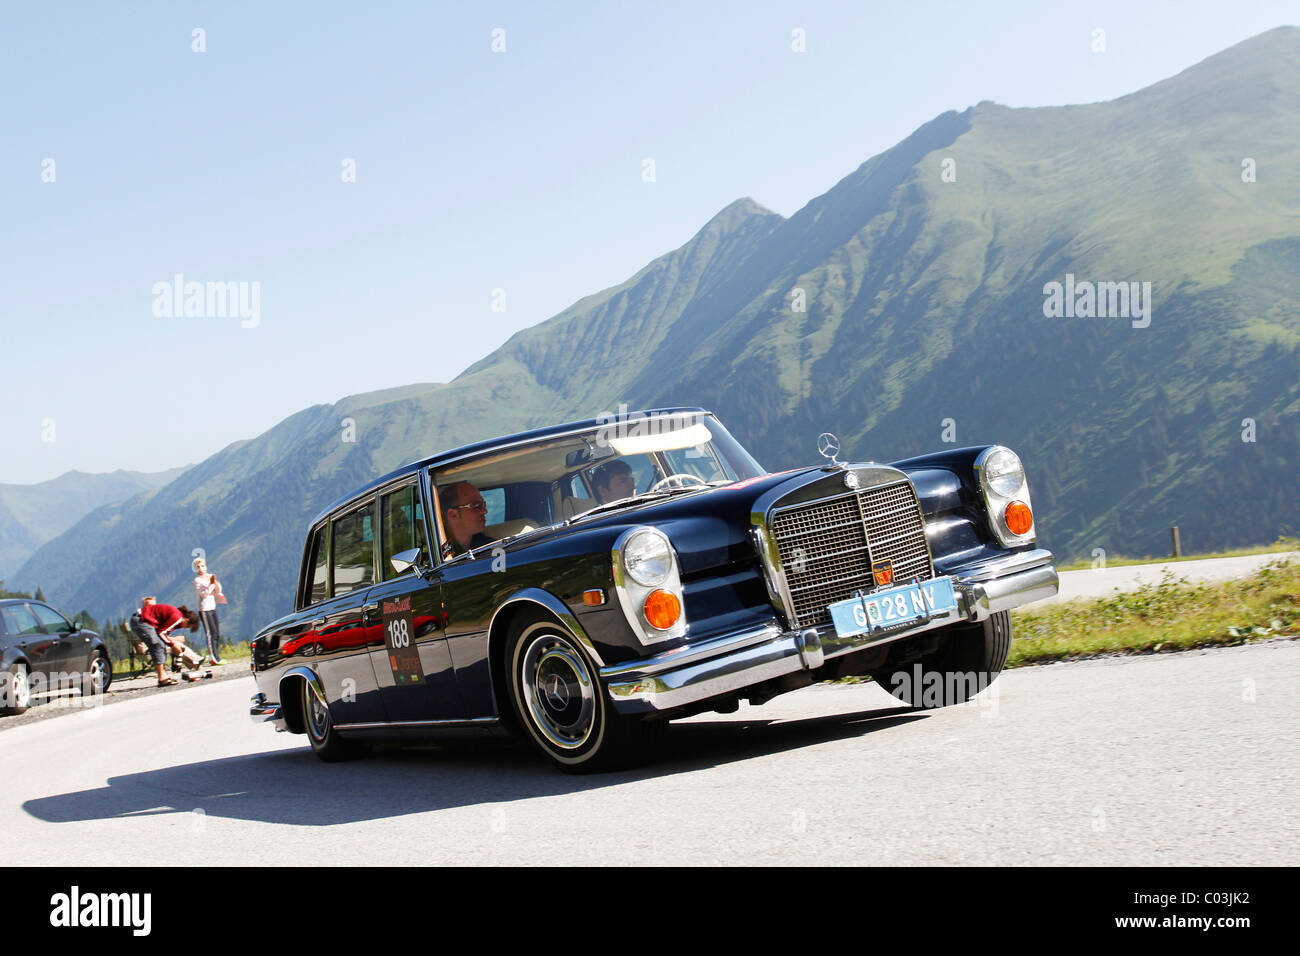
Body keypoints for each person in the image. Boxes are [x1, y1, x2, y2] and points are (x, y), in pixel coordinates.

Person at [129, 598, 200, 686]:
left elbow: (163, 633)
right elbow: (161, 633)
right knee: (157, 645)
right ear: (187, 619)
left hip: (142, 620)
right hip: (141, 621)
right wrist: (173, 644)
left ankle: (164, 675)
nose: (183, 627)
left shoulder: (176, 615)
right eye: (187, 626)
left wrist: (172, 641)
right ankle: (162, 678)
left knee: (160, 644)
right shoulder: (177, 617)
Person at [440, 481, 493, 555]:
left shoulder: (491, 545)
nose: (485, 511)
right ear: (453, 515)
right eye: (476, 506)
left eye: (483, 504)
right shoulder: (441, 554)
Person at [193, 557, 227, 665]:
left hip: (212, 607)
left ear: (206, 567)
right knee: (210, 634)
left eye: (202, 566)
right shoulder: (197, 580)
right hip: (204, 609)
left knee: (216, 633)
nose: (200, 568)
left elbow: (218, 591)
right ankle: (213, 657)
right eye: (198, 567)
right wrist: (211, 584)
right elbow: (204, 593)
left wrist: (214, 582)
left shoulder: (209, 577)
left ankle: (217, 656)